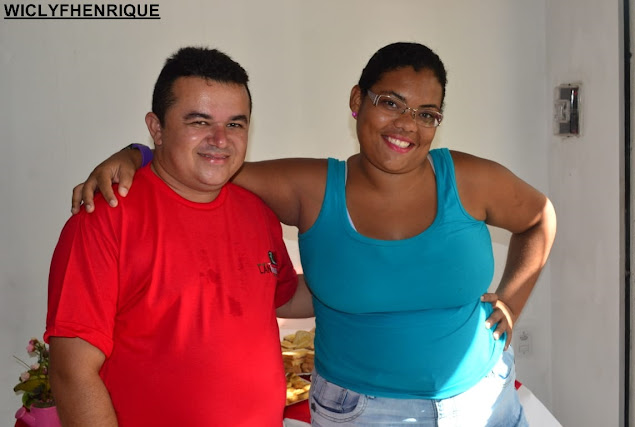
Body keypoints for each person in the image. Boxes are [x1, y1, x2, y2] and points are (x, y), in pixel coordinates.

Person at [71, 42, 556, 426]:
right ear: (357, 101)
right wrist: (137, 154)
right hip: (362, 411)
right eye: (391, 103)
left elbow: (539, 218)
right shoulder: (309, 187)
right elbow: (210, 162)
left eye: (427, 113)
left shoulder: (471, 179)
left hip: (484, 399)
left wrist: (512, 301)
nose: (407, 124)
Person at [46, 46, 312, 427]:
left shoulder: (257, 210)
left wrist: (373, 281)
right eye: (200, 122)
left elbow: (283, 296)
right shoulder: (105, 218)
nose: (220, 139)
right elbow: (72, 373)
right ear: (156, 128)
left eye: (235, 124)